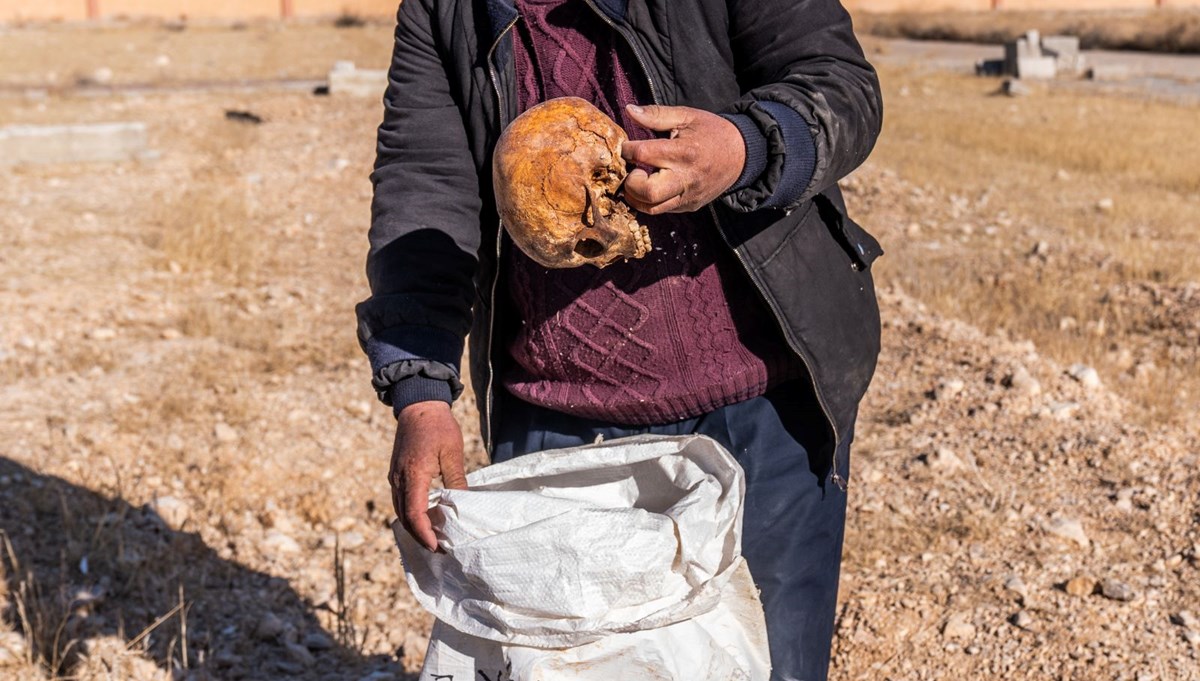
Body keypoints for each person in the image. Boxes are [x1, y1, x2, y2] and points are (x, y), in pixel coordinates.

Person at [356, 0, 883, 678]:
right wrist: (420, 391)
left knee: (766, 661)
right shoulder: (447, 9)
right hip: (557, 431)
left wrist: (743, 147)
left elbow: (841, 84)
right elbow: (424, 184)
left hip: (761, 414)